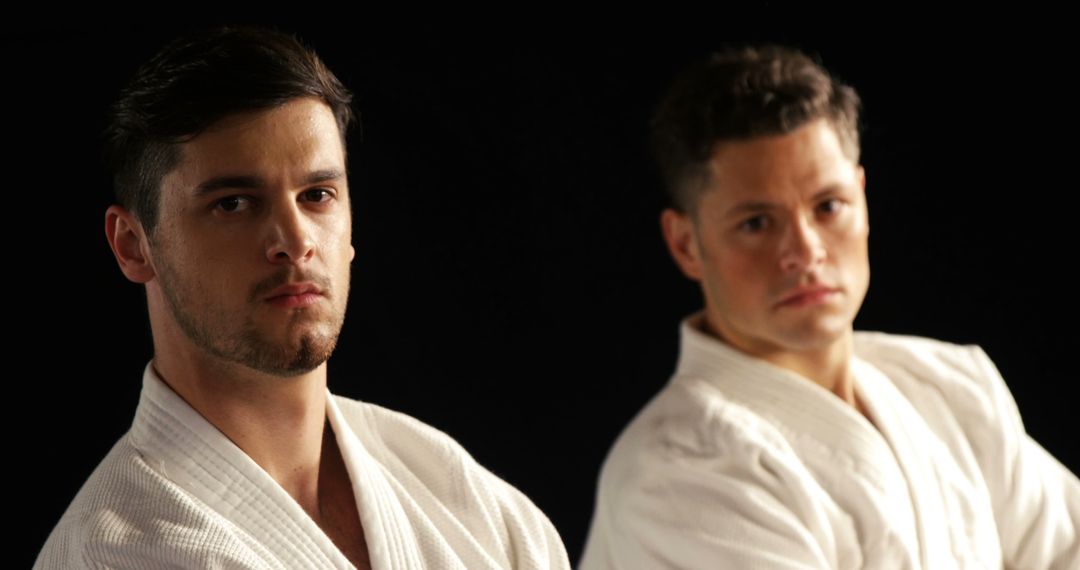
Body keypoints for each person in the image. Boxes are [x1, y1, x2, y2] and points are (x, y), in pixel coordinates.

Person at [35, 26, 569, 570]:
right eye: (234, 204)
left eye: (317, 195)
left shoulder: (472, 505)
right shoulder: (114, 553)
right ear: (133, 245)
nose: (295, 242)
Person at [580, 45, 1080, 569]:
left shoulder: (949, 390)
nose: (805, 251)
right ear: (686, 243)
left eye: (828, 207)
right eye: (756, 223)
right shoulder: (677, 475)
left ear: (862, 197)